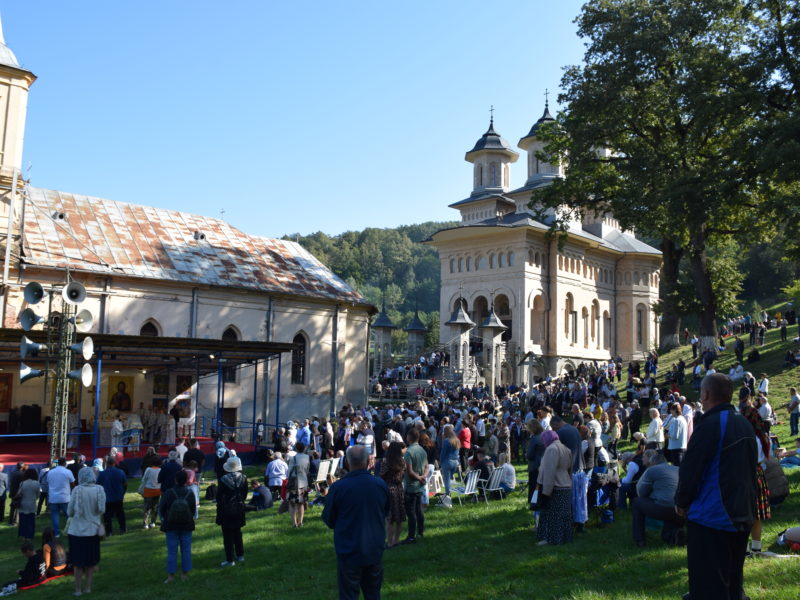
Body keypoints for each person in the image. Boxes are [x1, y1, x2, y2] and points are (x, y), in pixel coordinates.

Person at [675, 373, 757, 600]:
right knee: (732, 583)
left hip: (712, 517)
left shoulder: (711, 424)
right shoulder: (744, 423)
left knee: (709, 586)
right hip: (741, 513)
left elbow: (691, 469)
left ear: (706, 394)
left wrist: (682, 502)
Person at [322, 444, 389, 600]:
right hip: (374, 546)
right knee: (373, 593)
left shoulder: (339, 488)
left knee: (349, 594)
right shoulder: (379, 484)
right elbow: (386, 511)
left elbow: (329, 518)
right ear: (368, 462)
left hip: (349, 548)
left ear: (347, 462)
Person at [631, 450, 684, 547]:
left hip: (663, 509)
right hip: (680, 510)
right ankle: (675, 535)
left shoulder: (652, 470)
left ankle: (639, 540)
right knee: (665, 535)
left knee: (637, 502)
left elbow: (641, 492)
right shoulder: (678, 469)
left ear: (652, 463)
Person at [67, 467, 106, 596]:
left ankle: (77, 589)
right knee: (90, 562)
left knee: (77, 563)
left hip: (77, 531)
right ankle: (88, 587)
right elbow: (102, 510)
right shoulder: (99, 489)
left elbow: (70, 512)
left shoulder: (77, 490)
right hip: (93, 531)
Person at [535, 429, 573, 546]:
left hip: (555, 486)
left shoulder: (551, 449)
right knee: (563, 515)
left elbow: (549, 472)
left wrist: (546, 491)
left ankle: (551, 539)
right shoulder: (565, 448)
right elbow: (569, 469)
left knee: (552, 515)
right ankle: (565, 537)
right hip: (566, 484)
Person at [159, 469, 197, 583]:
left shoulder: (168, 493)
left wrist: (165, 517)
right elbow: (193, 510)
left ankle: (171, 576)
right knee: (186, 550)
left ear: (175, 480)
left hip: (171, 525)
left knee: (171, 551)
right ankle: (184, 574)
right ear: (186, 480)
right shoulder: (190, 493)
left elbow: (161, 509)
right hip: (186, 524)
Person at [216, 456, 248, 567]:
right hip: (239, 508)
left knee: (228, 534)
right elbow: (244, 494)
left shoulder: (224, 479)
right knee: (237, 533)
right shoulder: (244, 478)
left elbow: (219, 496)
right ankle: (240, 555)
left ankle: (230, 560)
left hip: (226, 509)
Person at [402, 427, 428, 544]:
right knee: (419, 510)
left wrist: (419, 478)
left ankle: (411, 536)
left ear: (409, 438)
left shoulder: (409, 452)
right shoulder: (422, 450)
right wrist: (423, 477)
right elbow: (427, 466)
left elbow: (409, 471)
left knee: (411, 512)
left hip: (411, 486)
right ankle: (421, 532)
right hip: (420, 485)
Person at [379, 441, 406, 547]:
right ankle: (396, 540)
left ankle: (390, 542)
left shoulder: (386, 462)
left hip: (389, 488)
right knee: (399, 516)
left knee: (390, 518)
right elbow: (403, 475)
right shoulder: (402, 462)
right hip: (399, 488)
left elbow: (381, 475)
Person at [96, 456, 127, 535]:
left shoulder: (102, 474)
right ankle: (122, 528)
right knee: (120, 513)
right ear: (114, 463)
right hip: (118, 497)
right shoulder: (120, 472)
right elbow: (125, 484)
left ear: (106, 463)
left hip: (107, 498)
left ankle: (109, 531)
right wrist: (122, 493)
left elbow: (98, 485)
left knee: (107, 515)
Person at [47, 457, 75, 538]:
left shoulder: (51, 472)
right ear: (65, 463)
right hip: (65, 497)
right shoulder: (67, 472)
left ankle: (57, 533)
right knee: (69, 515)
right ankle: (70, 531)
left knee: (55, 516)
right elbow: (73, 484)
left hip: (53, 497)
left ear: (58, 463)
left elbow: (49, 482)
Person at [287, 442, 311, 527]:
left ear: (296, 449)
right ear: (304, 448)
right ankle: (300, 522)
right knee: (301, 503)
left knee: (292, 503)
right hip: (304, 482)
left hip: (294, 482)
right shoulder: (307, 457)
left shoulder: (293, 458)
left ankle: (294, 523)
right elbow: (307, 470)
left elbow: (289, 471)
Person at [15, 469, 40, 542]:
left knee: (23, 521)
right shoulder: (36, 483)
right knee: (30, 521)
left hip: (23, 503)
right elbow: (38, 494)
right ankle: (29, 536)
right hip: (32, 504)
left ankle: (23, 536)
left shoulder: (22, 483)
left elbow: (19, 493)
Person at [438, 424, 460, 497]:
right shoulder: (457, 440)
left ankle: (448, 495)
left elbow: (443, 453)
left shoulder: (446, 441)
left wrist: (440, 462)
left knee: (446, 480)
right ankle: (448, 492)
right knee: (449, 479)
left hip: (447, 462)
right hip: (455, 462)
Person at [140, 457, 162, 529]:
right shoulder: (160, 470)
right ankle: (153, 522)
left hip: (148, 490)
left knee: (147, 508)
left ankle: (145, 523)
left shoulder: (148, 469)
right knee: (155, 507)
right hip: (157, 490)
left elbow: (144, 479)